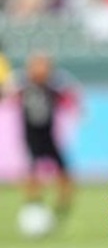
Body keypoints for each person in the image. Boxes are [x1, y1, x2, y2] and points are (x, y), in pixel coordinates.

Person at [14, 51, 81, 218]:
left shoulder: (55, 84)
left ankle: (63, 205)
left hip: (49, 136)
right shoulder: (23, 83)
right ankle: (33, 203)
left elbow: (71, 96)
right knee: (32, 170)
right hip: (31, 136)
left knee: (63, 170)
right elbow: (10, 95)